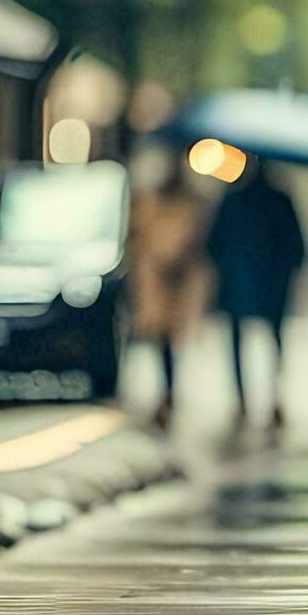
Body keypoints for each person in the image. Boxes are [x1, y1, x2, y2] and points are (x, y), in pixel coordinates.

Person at [205, 159, 305, 437]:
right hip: (270, 283)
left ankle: (243, 401)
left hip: (240, 282)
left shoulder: (232, 199)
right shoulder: (280, 200)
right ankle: (272, 399)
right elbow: (298, 247)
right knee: (274, 340)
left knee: (239, 341)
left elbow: (212, 244)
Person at [128, 151, 210, 429]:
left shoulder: (190, 204)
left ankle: (168, 393)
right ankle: (165, 392)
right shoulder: (153, 200)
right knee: (158, 338)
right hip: (157, 280)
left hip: (177, 281)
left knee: (170, 339)